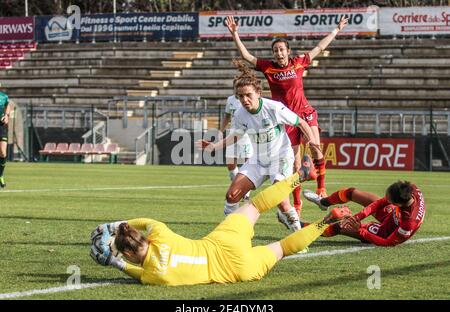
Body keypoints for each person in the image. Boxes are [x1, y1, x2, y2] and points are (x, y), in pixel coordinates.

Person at [89, 165, 350, 286]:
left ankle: (326, 221)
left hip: (238, 270)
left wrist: (115, 263)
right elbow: (146, 221)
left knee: (283, 248)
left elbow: (135, 272)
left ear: (129, 254)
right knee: (257, 205)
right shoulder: (160, 233)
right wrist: (115, 224)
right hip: (224, 241)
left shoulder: (153, 276)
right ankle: (300, 176)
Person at [225, 15, 349, 216]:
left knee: (317, 149)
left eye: (282, 49)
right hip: (285, 119)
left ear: (288, 51)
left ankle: (321, 190)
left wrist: (336, 30)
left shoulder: (298, 62)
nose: (279, 52)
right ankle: (297, 204)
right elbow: (247, 56)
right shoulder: (268, 67)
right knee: (295, 164)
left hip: (304, 112)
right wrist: (235, 34)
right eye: (275, 50)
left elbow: (319, 48)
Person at [197, 60, 316, 231]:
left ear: (258, 92)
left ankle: (297, 235)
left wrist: (311, 141)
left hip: (280, 158)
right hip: (258, 161)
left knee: (280, 201)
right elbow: (235, 137)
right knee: (232, 195)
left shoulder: (274, 108)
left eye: (248, 95)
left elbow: (301, 123)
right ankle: (232, 233)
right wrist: (214, 147)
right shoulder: (239, 114)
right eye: (240, 96)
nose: (244, 100)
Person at [302, 181, 426, 246]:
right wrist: (358, 217)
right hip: (392, 214)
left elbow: (388, 242)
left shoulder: (408, 224)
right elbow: (380, 203)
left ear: (399, 204)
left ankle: (300, 227)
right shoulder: (411, 189)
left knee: (340, 226)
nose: (385, 199)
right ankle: (323, 202)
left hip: (385, 232)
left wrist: (360, 231)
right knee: (352, 193)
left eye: (389, 199)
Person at [219, 92, 253, 201]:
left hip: (246, 134)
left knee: (248, 163)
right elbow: (227, 116)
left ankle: (245, 193)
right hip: (232, 134)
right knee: (230, 164)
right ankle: (239, 188)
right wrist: (221, 131)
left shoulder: (248, 99)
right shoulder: (230, 100)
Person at [0, 91, 11, 188]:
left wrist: (7, 115)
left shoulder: (4, 96)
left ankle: (1, 175)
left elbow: (8, 105)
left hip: (1, 126)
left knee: (3, 153)